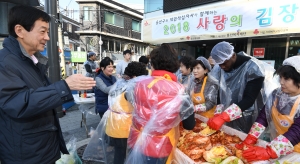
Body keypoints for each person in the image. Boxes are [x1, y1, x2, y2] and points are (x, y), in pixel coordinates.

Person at [0, 5, 96, 164]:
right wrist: (64, 86)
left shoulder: (30, 61)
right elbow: (19, 103)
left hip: (40, 150)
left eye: (48, 32)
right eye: (42, 31)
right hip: (26, 155)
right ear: (20, 31)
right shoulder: (5, 63)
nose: (47, 38)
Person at [125, 43, 195, 164]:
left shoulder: (138, 84)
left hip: (135, 140)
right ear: (175, 66)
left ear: (152, 64)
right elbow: (189, 125)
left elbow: (127, 97)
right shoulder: (180, 91)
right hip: (159, 147)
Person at [236, 56, 300, 162]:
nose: (281, 82)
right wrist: (251, 137)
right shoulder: (277, 94)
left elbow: (297, 131)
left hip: (296, 152)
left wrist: (270, 151)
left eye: (286, 79)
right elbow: (264, 116)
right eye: (281, 77)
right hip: (280, 147)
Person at [207, 41, 266, 133]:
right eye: (219, 64)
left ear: (233, 55)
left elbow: (249, 99)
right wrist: (218, 113)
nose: (222, 66)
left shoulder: (253, 68)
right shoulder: (220, 69)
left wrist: (224, 116)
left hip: (247, 115)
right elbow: (219, 92)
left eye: (224, 63)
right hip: (226, 114)